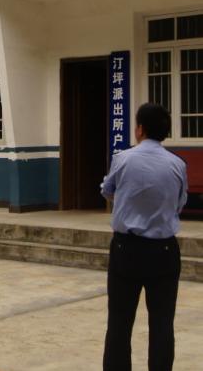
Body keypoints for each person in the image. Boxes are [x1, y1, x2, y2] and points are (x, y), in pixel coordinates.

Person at [101, 103, 188, 371]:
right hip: (163, 251)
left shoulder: (123, 159)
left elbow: (107, 190)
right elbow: (179, 203)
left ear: (140, 129)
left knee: (119, 322)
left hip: (126, 249)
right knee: (162, 323)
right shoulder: (177, 164)